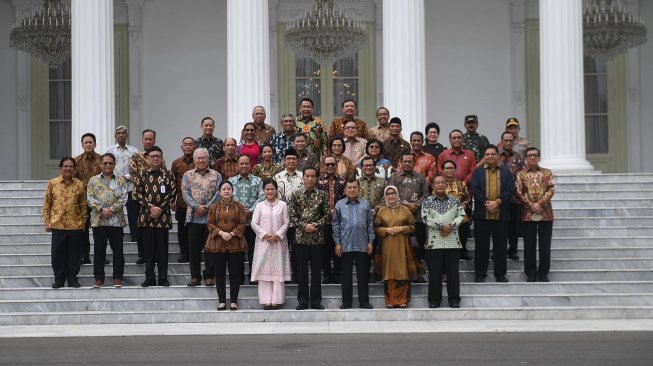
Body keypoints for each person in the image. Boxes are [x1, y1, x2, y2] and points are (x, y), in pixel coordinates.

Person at [470, 145, 515, 283]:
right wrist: (487, 203)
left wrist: (497, 202)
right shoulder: (477, 172)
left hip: (501, 215)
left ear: (498, 156)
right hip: (482, 215)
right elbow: (475, 188)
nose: (490, 156)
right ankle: (480, 274)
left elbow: (510, 189)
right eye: (487, 154)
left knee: (500, 247)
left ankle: (500, 274)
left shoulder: (506, 172)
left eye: (492, 154)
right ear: (484, 156)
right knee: (481, 247)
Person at [134, 146, 176, 287]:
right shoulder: (142, 174)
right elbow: (137, 194)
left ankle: (163, 278)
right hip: (146, 218)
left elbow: (172, 193)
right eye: (152, 156)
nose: (155, 158)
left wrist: (160, 208)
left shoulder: (169, 174)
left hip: (162, 219)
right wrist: (151, 207)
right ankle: (149, 278)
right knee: (148, 251)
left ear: (162, 158)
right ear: (148, 158)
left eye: (158, 156)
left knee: (163, 251)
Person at [289, 167, 330, 310]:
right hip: (300, 239)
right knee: (301, 272)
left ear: (316, 178)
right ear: (303, 177)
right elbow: (292, 216)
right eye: (307, 176)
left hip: (317, 239)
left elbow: (326, 215)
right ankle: (302, 301)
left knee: (317, 271)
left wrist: (315, 225)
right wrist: (304, 226)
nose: (310, 178)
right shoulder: (295, 195)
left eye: (313, 176)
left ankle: (316, 301)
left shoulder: (323, 195)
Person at [43, 157, 87, 288]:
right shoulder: (52, 183)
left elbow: (83, 205)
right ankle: (59, 279)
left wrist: (83, 222)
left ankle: (72, 279)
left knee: (75, 255)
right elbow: (47, 204)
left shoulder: (79, 184)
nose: (68, 168)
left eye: (71, 166)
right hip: (58, 225)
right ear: (60, 168)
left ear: (74, 169)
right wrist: (47, 222)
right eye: (65, 166)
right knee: (57, 254)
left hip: (75, 225)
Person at [422, 174, 465, 308]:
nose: (440, 185)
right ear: (433, 186)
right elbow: (425, 218)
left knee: (453, 273)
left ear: (446, 185)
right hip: (434, 243)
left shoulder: (455, 201)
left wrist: (450, 226)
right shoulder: (427, 202)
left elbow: (461, 215)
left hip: (452, 242)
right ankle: (434, 300)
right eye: (437, 183)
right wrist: (441, 226)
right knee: (434, 274)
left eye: (442, 182)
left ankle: (454, 299)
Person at [87, 153, 128, 288]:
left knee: (118, 251)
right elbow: (90, 198)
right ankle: (99, 279)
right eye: (105, 163)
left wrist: (110, 210)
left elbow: (124, 197)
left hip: (116, 221)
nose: (108, 165)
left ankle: (117, 278)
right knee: (99, 250)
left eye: (110, 163)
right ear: (100, 164)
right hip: (99, 221)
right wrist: (101, 209)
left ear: (114, 164)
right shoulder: (93, 180)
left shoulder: (121, 180)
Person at [182, 148, 221, 287]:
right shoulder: (187, 175)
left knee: (210, 249)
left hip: (211, 218)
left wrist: (206, 208)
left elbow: (219, 193)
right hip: (193, 217)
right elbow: (185, 193)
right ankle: (195, 276)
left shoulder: (216, 175)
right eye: (198, 158)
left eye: (204, 158)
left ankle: (209, 276)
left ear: (208, 159)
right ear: (194, 159)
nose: (201, 160)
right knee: (194, 249)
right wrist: (196, 207)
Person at [206, 181, 247, 311]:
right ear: (219, 192)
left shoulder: (239, 207)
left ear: (232, 191)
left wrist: (232, 233)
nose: (226, 191)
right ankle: (222, 301)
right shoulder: (214, 207)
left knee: (235, 274)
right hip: (217, 244)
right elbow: (210, 223)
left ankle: (234, 301)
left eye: (229, 189)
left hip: (235, 244)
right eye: (224, 189)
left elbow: (242, 223)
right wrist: (221, 233)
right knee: (219, 274)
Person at [333, 179, 374, 309]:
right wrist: (337, 243)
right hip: (345, 245)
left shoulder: (365, 204)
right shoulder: (339, 205)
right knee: (346, 275)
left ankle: (364, 302)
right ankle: (346, 302)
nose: (351, 190)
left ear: (359, 189)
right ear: (345, 190)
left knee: (363, 275)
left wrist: (370, 242)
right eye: (349, 187)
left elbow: (370, 225)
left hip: (362, 245)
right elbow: (336, 225)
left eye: (354, 187)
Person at [516, 147, 555, 282]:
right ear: (525, 158)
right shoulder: (520, 174)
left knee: (545, 245)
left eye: (535, 155)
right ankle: (531, 273)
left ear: (539, 157)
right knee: (529, 246)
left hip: (546, 214)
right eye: (529, 155)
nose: (532, 158)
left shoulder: (547, 173)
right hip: (527, 214)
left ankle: (543, 273)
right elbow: (519, 192)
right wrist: (532, 205)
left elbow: (551, 189)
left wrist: (540, 203)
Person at [250, 179, 291, 310]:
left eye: (272, 189)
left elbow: (286, 222)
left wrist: (277, 235)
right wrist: (266, 235)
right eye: (267, 189)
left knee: (277, 272)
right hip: (263, 243)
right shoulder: (259, 205)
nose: (270, 191)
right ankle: (267, 301)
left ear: (276, 190)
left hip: (279, 242)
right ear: (263, 191)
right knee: (264, 272)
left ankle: (277, 301)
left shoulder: (283, 205)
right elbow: (254, 223)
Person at [388, 152, 429, 280]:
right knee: (399, 249)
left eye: (410, 161)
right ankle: (400, 274)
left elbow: (426, 194)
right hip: (399, 219)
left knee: (417, 247)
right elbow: (390, 194)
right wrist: (406, 205)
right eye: (404, 161)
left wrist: (416, 205)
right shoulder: (394, 177)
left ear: (414, 162)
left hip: (417, 219)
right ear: (400, 162)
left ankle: (417, 274)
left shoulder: (421, 177)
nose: (407, 164)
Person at [375, 186, 416, 308]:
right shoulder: (381, 210)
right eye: (388, 194)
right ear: (385, 196)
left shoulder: (405, 210)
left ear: (397, 195)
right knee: (389, 270)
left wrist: (402, 228)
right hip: (387, 244)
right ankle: (390, 300)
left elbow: (413, 226)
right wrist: (386, 230)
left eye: (393, 193)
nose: (391, 196)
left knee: (402, 270)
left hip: (402, 244)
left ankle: (403, 299)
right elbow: (376, 228)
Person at [229, 155, 264, 284]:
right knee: (237, 252)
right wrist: (239, 213)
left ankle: (253, 276)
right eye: (241, 164)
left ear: (250, 165)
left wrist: (250, 211)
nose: (244, 166)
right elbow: (227, 198)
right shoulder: (231, 181)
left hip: (253, 222)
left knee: (253, 251)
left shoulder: (258, 181)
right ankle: (238, 277)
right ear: (237, 165)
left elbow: (261, 198)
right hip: (236, 223)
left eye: (246, 164)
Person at [129, 129, 163, 264]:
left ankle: (154, 254)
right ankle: (142, 254)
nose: (148, 141)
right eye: (146, 139)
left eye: (151, 139)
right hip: (139, 197)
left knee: (154, 227)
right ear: (142, 140)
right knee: (140, 227)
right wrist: (147, 188)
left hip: (156, 199)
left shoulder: (159, 156)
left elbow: (163, 175)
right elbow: (133, 175)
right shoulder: (136, 156)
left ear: (154, 140)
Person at [274, 148, 304, 283]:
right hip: (281, 221)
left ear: (297, 161)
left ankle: (298, 276)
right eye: (288, 159)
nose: (291, 161)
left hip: (299, 220)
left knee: (297, 251)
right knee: (282, 250)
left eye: (293, 158)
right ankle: (283, 276)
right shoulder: (277, 177)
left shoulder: (303, 176)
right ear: (284, 161)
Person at [105, 125, 139, 245]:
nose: (121, 135)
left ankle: (134, 235)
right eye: (119, 133)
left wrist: (128, 176)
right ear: (115, 135)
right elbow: (106, 166)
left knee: (132, 213)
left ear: (127, 135)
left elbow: (137, 168)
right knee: (114, 211)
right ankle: (115, 235)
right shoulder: (110, 150)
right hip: (114, 186)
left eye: (123, 133)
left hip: (130, 186)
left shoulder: (134, 151)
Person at [317, 155, 346, 284]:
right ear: (323, 165)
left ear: (336, 165)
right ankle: (327, 275)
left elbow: (346, 200)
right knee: (324, 250)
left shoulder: (343, 181)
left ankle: (338, 274)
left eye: (332, 164)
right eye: (327, 164)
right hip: (323, 220)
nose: (330, 166)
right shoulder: (318, 181)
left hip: (340, 221)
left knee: (338, 248)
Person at [74, 133, 101, 265]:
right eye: (86, 142)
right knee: (83, 227)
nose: (88, 144)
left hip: (99, 199)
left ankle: (100, 254)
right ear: (82, 145)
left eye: (91, 142)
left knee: (99, 227)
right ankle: (84, 255)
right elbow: (73, 180)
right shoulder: (76, 161)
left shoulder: (102, 159)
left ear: (95, 144)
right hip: (82, 199)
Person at [358, 156, 387, 282]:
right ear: (361, 167)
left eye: (371, 165)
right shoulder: (357, 183)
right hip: (361, 222)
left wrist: (376, 209)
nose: (368, 167)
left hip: (379, 221)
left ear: (375, 167)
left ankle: (378, 273)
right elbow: (353, 198)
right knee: (364, 250)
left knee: (379, 248)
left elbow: (386, 198)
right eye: (366, 165)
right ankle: (365, 274)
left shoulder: (383, 182)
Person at [498, 131, 525, 261]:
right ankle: (499, 250)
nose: (508, 143)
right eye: (506, 140)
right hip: (499, 198)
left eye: (510, 140)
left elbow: (522, 176)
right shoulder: (496, 156)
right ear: (501, 141)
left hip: (514, 198)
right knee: (500, 227)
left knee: (514, 227)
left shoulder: (518, 157)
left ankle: (512, 250)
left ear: (513, 142)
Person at [170, 137, 196, 263]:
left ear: (194, 146)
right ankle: (184, 253)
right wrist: (172, 200)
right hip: (181, 202)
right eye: (185, 144)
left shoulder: (199, 162)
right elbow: (173, 183)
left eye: (190, 144)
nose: (188, 147)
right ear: (181, 147)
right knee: (182, 230)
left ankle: (195, 253)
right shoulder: (176, 163)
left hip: (197, 203)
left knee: (196, 230)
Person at [441, 160, 473, 260]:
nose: (449, 170)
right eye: (447, 168)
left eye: (452, 168)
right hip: (444, 214)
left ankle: (463, 252)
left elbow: (468, 198)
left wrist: (464, 204)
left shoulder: (461, 184)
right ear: (443, 170)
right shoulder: (439, 184)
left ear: (455, 170)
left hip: (460, 214)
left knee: (463, 232)